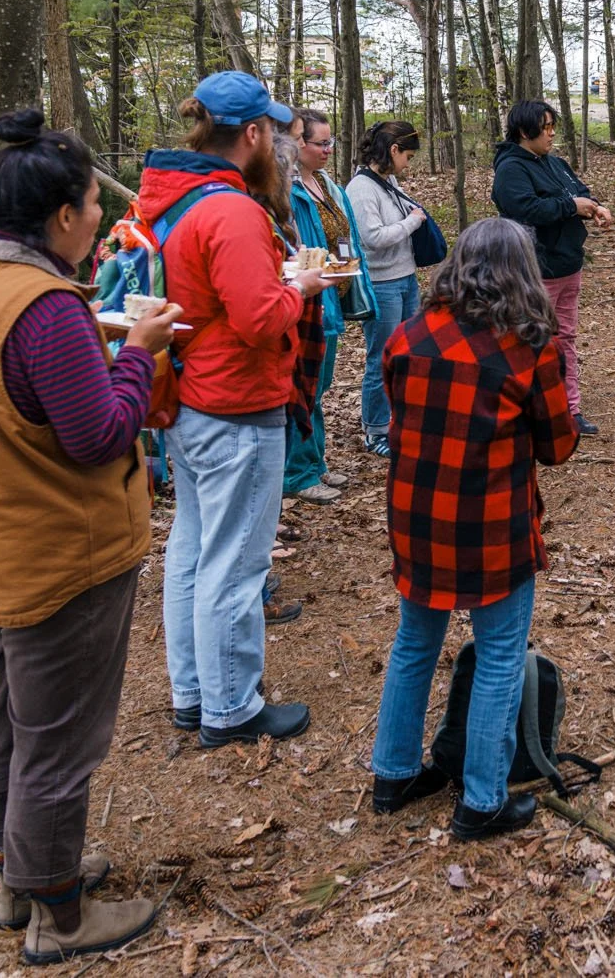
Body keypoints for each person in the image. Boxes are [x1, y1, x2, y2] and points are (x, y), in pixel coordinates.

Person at [0, 109, 183, 962]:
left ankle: (19, 875)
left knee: (7, 718)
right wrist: (139, 350)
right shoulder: (45, 309)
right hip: (62, 555)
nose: (102, 216)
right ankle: (61, 917)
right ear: (61, 216)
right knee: (61, 737)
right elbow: (101, 432)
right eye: (91, 205)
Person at [368, 218, 579, 839]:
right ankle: (482, 801)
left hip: (418, 518)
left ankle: (394, 773)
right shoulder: (528, 348)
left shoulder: (408, 336)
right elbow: (558, 445)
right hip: (491, 524)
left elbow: (398, 409)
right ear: (524, 272)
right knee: (499, 655)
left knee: (414, 643)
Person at [139, 70, 328, 749]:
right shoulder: (231, 209)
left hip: (189, 400)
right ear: (250, 134)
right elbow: (257, 319)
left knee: (193, 550)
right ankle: (230, 707)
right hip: (237, 405)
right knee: (236, 562)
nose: (279, 142)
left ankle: (195, 692)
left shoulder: (171, 199)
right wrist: (300, 286)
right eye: (274, 131)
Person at [491, 100, 611, 433]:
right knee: (531, 340)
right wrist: (572, 205)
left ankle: (568, 410)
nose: (551, 132)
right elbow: (526, 208)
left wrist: (594, 207)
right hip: (533, 270)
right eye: (544, 127)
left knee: (565, 339)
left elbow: (580, 191)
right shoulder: (511, 169)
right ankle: (531, 412)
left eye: (552, 125)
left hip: (567, 264)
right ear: (522, 130)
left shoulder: (554, 163)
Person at [284, 107, 375, 503]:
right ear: (297, 144)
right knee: (303, 389)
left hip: (331, 300)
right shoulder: (286, 191)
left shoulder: (327, 185)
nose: (327, 150)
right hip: (306, 303)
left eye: (330, 142)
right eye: (320, 143)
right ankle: (298, 474)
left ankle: (314, 463)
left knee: (318, 387)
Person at [346, 120, 427, 459]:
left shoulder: (388, 181)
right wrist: (413, 221)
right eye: (407, 156)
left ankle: (401, 418)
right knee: (381, 357)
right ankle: (376, 428)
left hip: (405, 278)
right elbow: (373, 239)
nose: (408, 164)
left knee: (408, 353)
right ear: (393, 150)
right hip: (382, 284)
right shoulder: (361, 189)